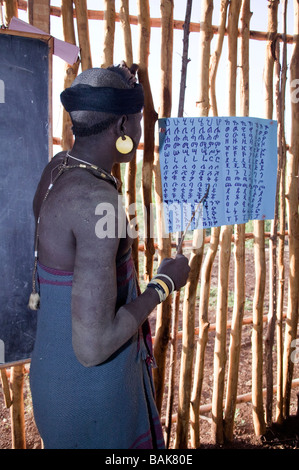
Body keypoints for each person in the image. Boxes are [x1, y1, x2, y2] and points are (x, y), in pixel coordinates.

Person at [29, 63, 190, 449]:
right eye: (136, 121)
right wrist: (164, 284)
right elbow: (93, 347)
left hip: (52, 376)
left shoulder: (57, 170)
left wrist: (114, 82)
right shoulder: (97, 201)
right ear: (121, 127)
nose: (139, 130)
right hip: (91, 392)